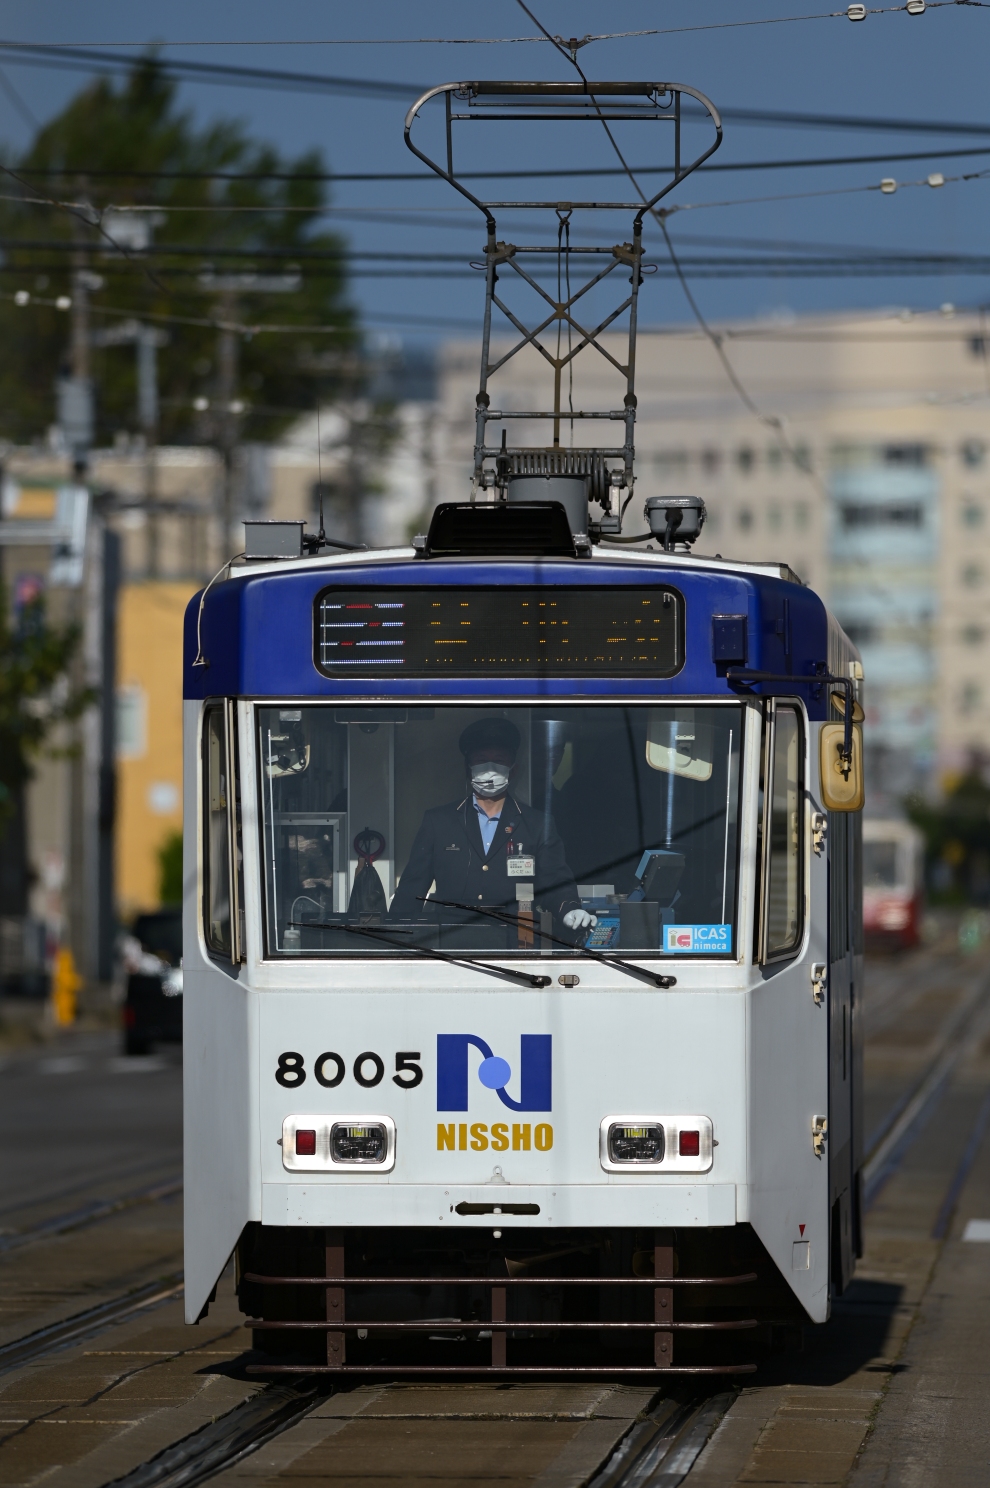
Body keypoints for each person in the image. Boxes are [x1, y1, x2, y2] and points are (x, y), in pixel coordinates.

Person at [389, 716, 597, 937]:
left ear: (513, 769)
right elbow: (411, 890)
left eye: (499, 759)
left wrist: (570, 909)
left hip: (517, 942)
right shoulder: (439, 822)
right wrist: (393, 941)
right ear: (468, 769)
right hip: (450, 945)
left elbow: (555, 879)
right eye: (481, 759)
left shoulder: (537, 824)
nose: (490, 768)